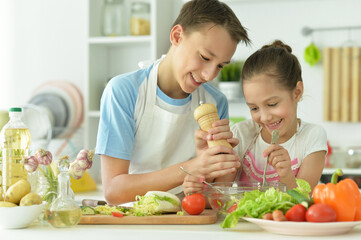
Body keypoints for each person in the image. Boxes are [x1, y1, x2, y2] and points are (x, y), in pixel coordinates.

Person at [96, 0, 250, 204]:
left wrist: (219, 164)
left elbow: (216, 199)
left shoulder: (216, 102)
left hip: (190, 219)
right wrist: (192, 167)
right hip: (134, 220)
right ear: (177, 36)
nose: (209, 74)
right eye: (205, 57)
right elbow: (114, 191)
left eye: (220, 66)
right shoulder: (123, 91)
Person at [183, 40, 327, 195]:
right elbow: (217, 199)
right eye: (254, 108)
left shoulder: (312, 137)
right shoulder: (241, 134)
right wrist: (199, 187)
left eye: (272, 104)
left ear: (297, 92)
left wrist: (286, 176)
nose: (264, 118)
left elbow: (302, 202)